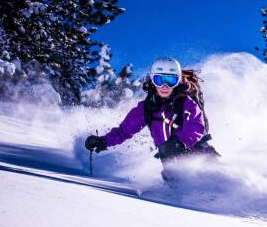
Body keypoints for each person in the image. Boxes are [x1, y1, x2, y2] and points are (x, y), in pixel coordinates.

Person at [85, 57, 217, 164]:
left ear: (177, 81)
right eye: (159, 80)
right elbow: (123, 131)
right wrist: (103, 141)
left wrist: (178, 143)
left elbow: (196, 126)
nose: (165, 86)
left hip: (201, 155)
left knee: (220, 183)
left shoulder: (186, 102)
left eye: (171, 80)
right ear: (153, 80)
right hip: (172, 165)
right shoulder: (146, 108)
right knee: (178, 189)